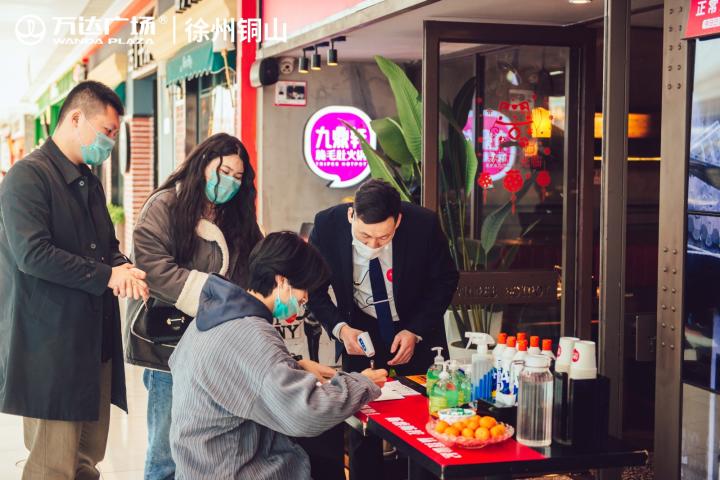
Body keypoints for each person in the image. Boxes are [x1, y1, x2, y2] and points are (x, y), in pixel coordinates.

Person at [0, 80, 149, 479]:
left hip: (93, 341)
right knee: (53, 465)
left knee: (87, 460)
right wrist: (106, 275)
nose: (110, 143)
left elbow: (105, 245)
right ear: (76, 117)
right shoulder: (27, 178)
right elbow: (33, 255)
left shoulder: (89, 181)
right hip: (52, 347)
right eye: (107, 132)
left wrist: (124, 266)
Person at [169, 231, 387, 480]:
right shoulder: (251, 333)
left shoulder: (216, 314)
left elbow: (235, 372)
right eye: (305, 288)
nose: (305, 298)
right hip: (236, 469)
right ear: (282, 281)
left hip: (199, 466)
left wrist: (294, 365)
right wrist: (363, 383)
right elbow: (308, 412)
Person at [124, 132, 263, 480]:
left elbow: (257, 262)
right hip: (168, 349)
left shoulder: (235, 217)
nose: (229, 181)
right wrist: (220, 297)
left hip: (216, 347)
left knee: (203, 449)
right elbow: (154, 268)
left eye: (237, 176)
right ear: (203, 164)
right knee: (166, 453)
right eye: (224, 171)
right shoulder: (165, 206)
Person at [307, 178, 459, 479]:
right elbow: (314, 290)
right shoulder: (327, 225)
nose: (373, 245)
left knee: (423, 423)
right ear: (352, 216)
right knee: (365, 428)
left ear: (398, 220)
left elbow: (445, 280)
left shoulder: (423, 224)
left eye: (383, 237)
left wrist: (415, 330)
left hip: (413, 328)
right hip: (358, 330)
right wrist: (340, 328)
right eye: (364, 236)